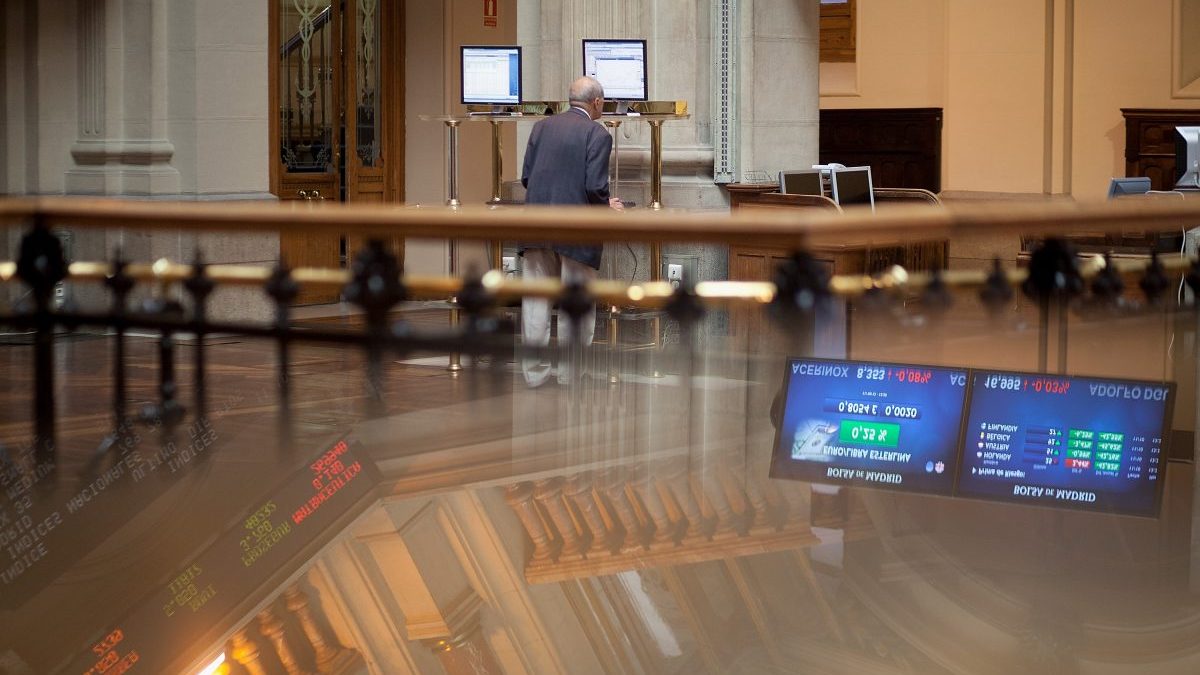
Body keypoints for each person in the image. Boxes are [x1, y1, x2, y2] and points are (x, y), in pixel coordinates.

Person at [518, 76, 623, 387]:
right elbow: (594, 187)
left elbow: (526, 178)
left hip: (535, 224)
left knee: (535, 302)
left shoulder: (541, 127)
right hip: (576, 229)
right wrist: (608, 207)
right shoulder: (597, 133)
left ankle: (534, 375)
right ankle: (570, 374)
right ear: (597, 103)